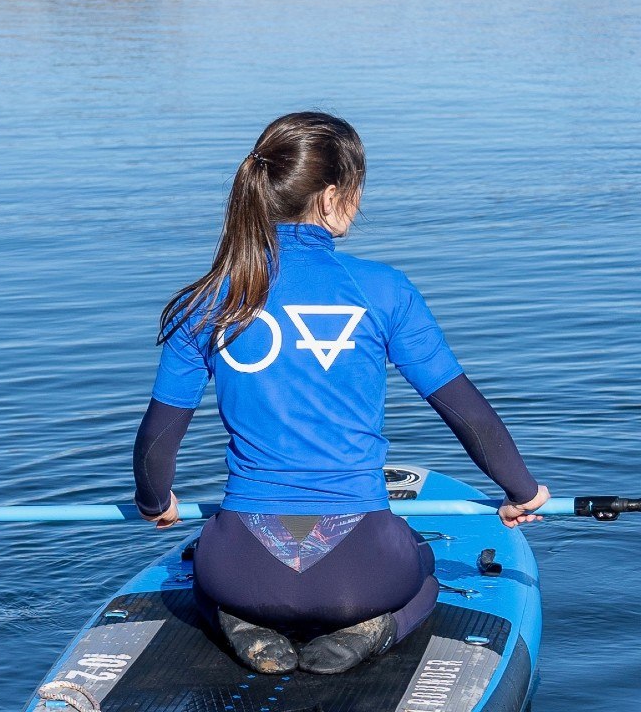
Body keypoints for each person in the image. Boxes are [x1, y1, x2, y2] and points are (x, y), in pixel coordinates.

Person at [133, 111, 550, 676]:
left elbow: (156, 442)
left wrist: (157, 503)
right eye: (357, 191)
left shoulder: (207, 300)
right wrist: (521, 491)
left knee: (201, 567)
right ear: (331, 198)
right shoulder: (383, 289)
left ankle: (241, 623)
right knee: (424, 568)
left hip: (240, 566)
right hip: (363, 572)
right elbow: (466, 414)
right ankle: (373, 630)